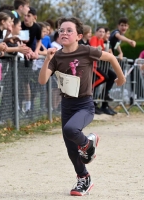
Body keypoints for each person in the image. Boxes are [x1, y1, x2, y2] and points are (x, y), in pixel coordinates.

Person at [38, 17, 126, 196]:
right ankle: (83, 178)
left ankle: (88, 143)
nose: (64, 33)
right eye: (61, 30)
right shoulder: (57, 56)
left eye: (69, 30)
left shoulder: (86, 51)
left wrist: (121, 78)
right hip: (67, 105)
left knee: (71, 130)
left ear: (78, 36)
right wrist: (47, 59)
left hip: (85, 105)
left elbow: (110, 57)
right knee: (71, 149)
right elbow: (42, 80)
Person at [90, 27, 117, 115]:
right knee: (103, 77)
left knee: (112, 75)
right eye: (100, 31)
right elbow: (95, 50)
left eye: (103, 32)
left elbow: (102, 52)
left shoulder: (101, 41)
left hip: (97, 64)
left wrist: (109, 53)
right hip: (91, 65)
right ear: (96, 32)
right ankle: (89, 91)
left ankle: (105, 95)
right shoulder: (94, 38)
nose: (102, 33)